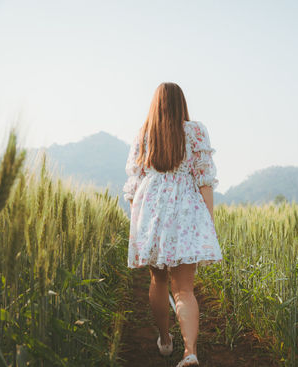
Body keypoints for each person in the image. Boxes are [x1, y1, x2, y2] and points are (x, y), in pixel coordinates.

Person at [123, 82, 222, 367]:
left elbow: (133, 187)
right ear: (182, 103)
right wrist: (208, 223)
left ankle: (165, 340)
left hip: (151, 210)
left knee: (158, 280)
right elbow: (204, 179)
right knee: (184, 289)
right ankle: (190, 352)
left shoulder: (142, 135)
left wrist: (139, 227)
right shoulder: (195, 131)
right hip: (185, 211)